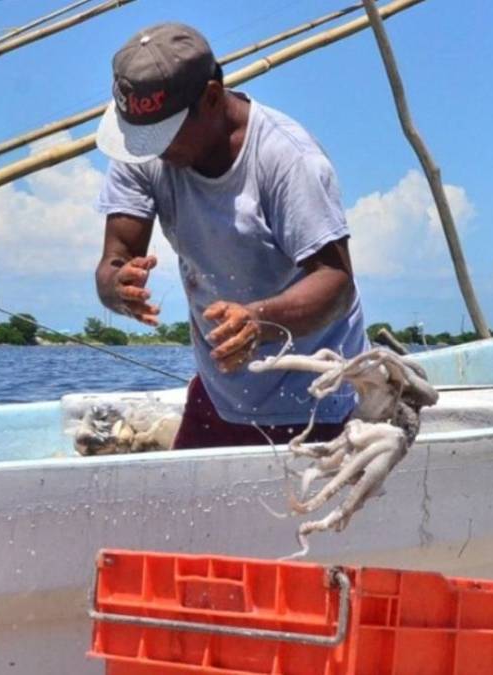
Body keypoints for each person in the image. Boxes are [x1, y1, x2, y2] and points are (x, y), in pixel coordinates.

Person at [94, 22, 368, 449]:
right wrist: (115, 285)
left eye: (164, 135)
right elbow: (116, 257)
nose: (154, 150)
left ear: (212, 98)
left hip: (316, 397)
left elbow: (335, 282)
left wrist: (257, 321)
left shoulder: (287, 160)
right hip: (220, 391)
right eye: (143, 138)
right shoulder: (145, 147)